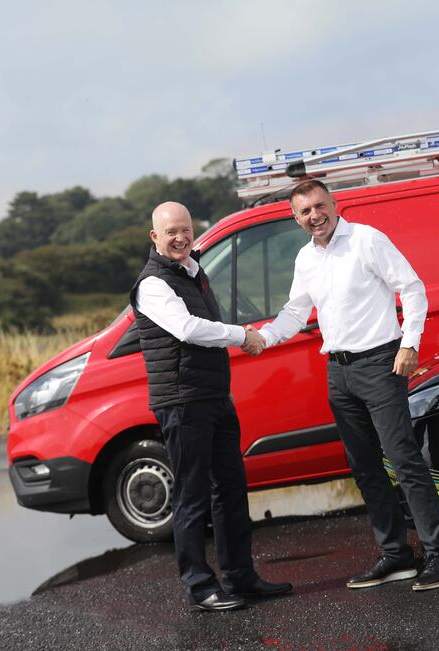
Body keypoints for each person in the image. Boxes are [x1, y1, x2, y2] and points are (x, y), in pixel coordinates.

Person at [252, 180, 439, 591]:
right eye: (305, 211)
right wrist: (262, 337)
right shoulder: (306, 258)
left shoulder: (366, 239)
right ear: (295, 218)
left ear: (334, 204)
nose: (315, 215)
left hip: (381, 363)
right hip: (339, 371)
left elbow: (412, 288)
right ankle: (396, 556)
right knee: (364, 468)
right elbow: (295, 312)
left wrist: (410, 343)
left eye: (319, 205)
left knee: (404, 461)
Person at [129, 201, 291, 612]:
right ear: (154, 237)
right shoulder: (152, 284)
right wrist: (242, 335)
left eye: (185, 229)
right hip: (182, 402)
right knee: (192, 495)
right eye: (171, 232)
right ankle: (200, 587)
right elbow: (188, 329)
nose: (180, 237)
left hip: (214, 396)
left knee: (230, 489)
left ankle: (240, 576)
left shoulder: (193, 272)